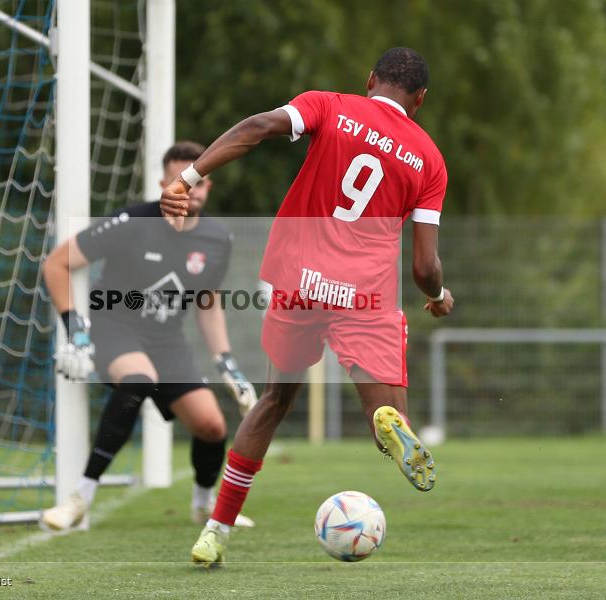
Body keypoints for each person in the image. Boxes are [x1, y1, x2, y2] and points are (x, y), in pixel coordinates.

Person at [160, 48, 455, 565]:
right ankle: (389, 419)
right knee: (387, 413)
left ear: (371, 80)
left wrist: (187, 179)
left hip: (299, 280)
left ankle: (215, 531)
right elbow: (425, 268)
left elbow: (257, 128)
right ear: (421, 99)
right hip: (363, 294)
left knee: (274, 400)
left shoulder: (331, 105)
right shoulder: (429, 159)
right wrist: (438, 296)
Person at [41, 141, 257, 531]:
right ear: (163, 183)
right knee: (139, 382)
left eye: (199, 182)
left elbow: (207, 302)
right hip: (115, 328)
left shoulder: (217, 240)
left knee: (212, 426)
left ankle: (203, 505)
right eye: (181, 180)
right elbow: (57, 264)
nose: (190, 190)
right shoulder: (131, 221)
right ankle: (80, 498)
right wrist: (75, 332)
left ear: (209, 187)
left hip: (168, 342)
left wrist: (227, 362)